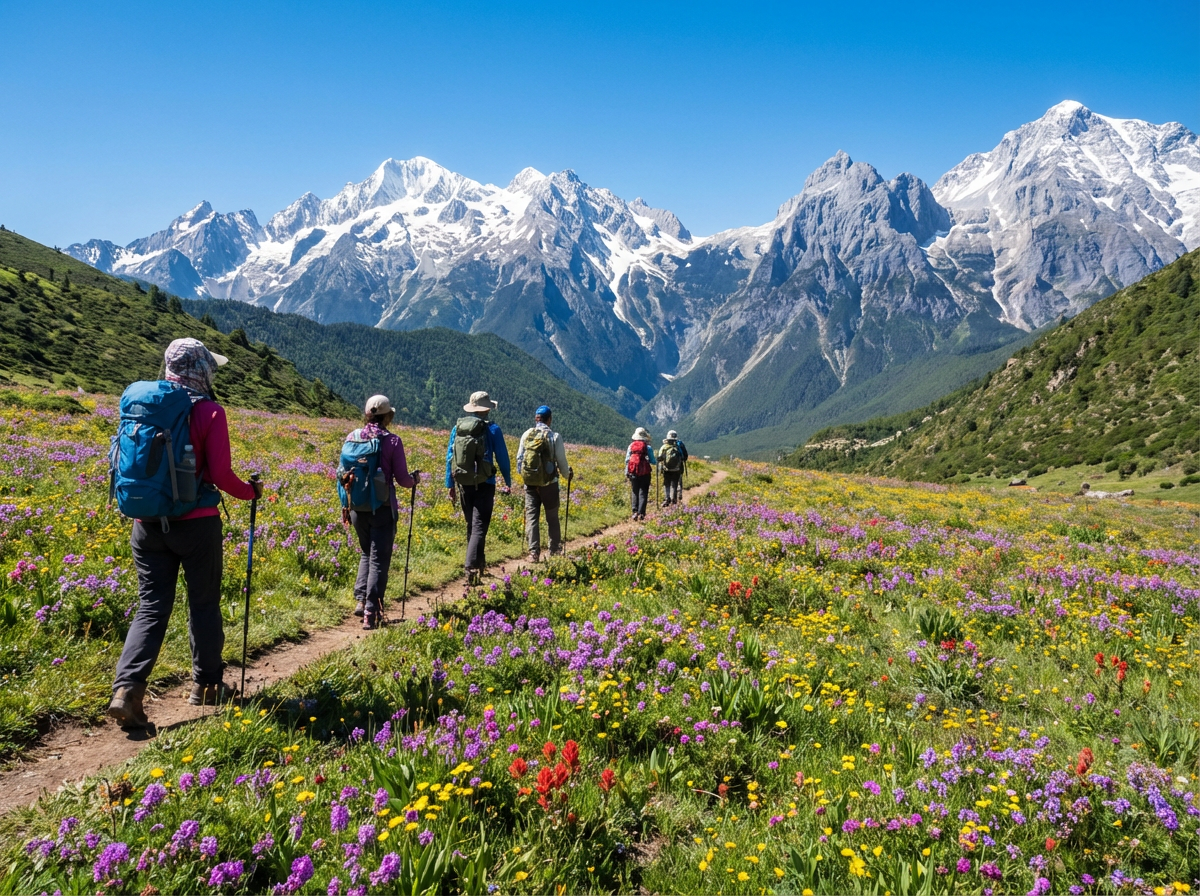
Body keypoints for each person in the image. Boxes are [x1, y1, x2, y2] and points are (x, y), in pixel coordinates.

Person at [108, 338, 264, 728]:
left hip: (146, 524)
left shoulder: (143, 404)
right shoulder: (209, 411)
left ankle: (126, 690)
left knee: (151, 606)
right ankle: (207, 685)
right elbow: (221, 474)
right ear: (202, 369)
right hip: (196, 525)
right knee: (204, 603)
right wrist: (251, 492)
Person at [342, 395, 419, 630]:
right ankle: (371, 611)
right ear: (388, 416)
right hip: (382, 508)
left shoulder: (352, 437)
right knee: (379, 559)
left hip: (357, 507)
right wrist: (414, 480)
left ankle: (360, 599)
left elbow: (343, 473)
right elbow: (403, 480)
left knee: (366, 552)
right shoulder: (393, 441)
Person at [444, 391, 511, 585]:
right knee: (480, 525)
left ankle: (479, 564)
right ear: (487, 409)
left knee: (471, 525)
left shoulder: (457, 428)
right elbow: (502, 457)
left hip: (464, 482)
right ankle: (471, 568)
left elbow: (450, 457)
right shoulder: (493, 430)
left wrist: (450, 484)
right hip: (485, 483)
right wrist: (507, 480)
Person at [516, 405, 572, 562]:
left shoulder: (527, 434)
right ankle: (554, 550)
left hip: (530, 484)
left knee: (532, 517)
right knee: (552, 517)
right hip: (550, 484)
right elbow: (561, 462)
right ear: (549, 420)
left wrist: (527, 476)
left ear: (536, 419)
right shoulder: (554, 437)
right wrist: (567, 475)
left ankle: (533, 553)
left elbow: (520, 460)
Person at [625, 426, 657, 521]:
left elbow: (627, 460)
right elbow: (653, 461)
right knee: (643, 492)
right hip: (645, 473)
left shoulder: (631, 446)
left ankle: (634, 512)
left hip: (633, 472)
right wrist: (653, 461)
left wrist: (627, 472)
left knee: (635, 491)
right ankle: (641, 513)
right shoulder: (648, 447)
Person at [659, 429, 689, 507]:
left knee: (667, 484)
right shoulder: (678, 446)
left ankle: (667, 498)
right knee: (674, 484)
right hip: (677, 469)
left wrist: (660, 470)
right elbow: (684, 457)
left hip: (666, 469)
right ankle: (674, 500)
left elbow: (659, 458)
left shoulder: (664, 447)